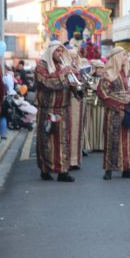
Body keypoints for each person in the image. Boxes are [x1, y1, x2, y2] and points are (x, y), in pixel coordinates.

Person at [97, 47, 130, 180]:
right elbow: (103, 93)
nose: (125, 58)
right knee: (112, 140)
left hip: (126, 112)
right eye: (123, 55)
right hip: (113, 113)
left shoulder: (125, 73)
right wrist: (121, 102)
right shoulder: (107, 74)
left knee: (127, 141)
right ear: (116, 57)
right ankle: (109, 169)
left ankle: (126, 169)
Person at [34, 41, 77, 182]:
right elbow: (46, 83)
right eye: (57, 51)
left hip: (64, 109)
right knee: (46, 141)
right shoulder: (41, 67)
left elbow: (69, 84)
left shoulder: (63, 66)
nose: (59, 54)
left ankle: (63, 171)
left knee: (63, 141)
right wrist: (62, 74)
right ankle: (45, 170)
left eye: (61, 51)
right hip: (48, 110)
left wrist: (76, 82)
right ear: (51, 51)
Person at [85, 59, 106, 152]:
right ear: (95, 69)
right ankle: (92, 145)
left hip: (102, 105)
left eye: (102, 68)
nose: (101, 70)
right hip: (91, 104)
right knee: (92, 125)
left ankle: (101, 145)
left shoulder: (105, 79)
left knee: (101, 125)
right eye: (99, 68)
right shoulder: (90, 78)